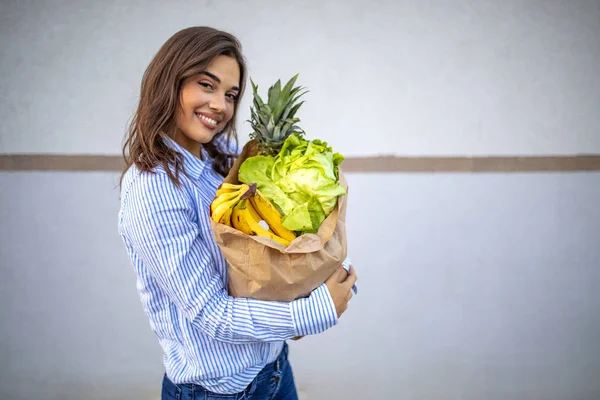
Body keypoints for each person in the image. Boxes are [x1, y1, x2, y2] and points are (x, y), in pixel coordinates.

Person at [117, 26, 357, 400]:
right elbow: (211, 314)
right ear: (169, 81)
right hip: (217, 392)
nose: (220, 106)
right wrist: (313, 311)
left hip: (274, 368)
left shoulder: (225, 157)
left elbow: (269, 249)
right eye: (206, 85)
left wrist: (314, 279)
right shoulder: (153, 189)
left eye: (230, 94)